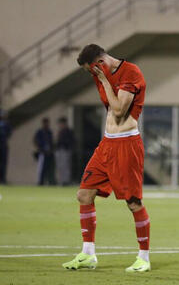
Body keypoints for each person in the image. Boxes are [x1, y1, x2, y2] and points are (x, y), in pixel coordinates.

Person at [62, 44, 150, 272]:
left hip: (127, 144)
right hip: (107, 144)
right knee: (84, 194)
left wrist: (103, 81)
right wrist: (102, 80)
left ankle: (144, 258)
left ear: (99, 63)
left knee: (133, 202)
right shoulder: (100, 75)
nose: (91, 75)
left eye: (91, 70)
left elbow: (120, 110)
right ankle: (88, 254)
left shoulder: (131, 72)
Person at [33, 118, 56, 185]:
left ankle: (50, 182)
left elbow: (52, 142)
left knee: (49, 168)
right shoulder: (40, 132)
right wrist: (40, 149)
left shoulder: (49, 132)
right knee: (41, 168)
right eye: (45, 123)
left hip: (49, 153)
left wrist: (51, 149)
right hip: (42, 153)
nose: (46, 124)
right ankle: (40, 182)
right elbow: (36, 141)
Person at [55, 117, 75, 186]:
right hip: (59, 150)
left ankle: (66, 181)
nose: (60, 125)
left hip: (65, 150)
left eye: (61, 123)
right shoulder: (60, 131)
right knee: (60, 166)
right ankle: (61, 180)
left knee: (65, 166)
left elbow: (71, 141)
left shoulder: (68, 131)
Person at [0, 110, 12, 184]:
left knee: (3, 162)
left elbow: (9, 133)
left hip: (3, 144)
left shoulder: (7, 124)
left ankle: (3, 179)